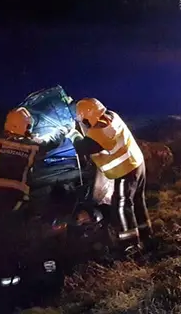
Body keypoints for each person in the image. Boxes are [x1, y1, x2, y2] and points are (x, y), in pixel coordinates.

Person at [67, 98, 152, 253]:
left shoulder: (101, 129)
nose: (83, 122)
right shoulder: (111, 116)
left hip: (126, 171)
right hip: (137, 164)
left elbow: (84, 147)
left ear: (89, 116)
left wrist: (71, 133)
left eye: (83, 119)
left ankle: (130, 246)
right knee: (137, 201)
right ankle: (146, 234)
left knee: (121, 206)